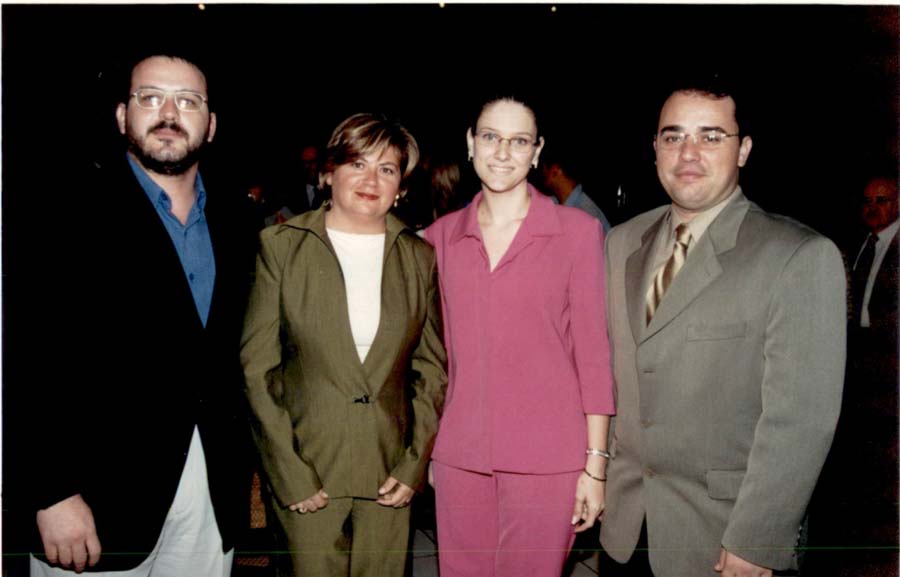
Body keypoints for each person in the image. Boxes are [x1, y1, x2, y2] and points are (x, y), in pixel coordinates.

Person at [599, 78, 846, 577]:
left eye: (711, 136)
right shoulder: (622, 242)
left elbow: (800, 419)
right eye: (673, 136)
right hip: (626, 527)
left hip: (720, 539)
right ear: (655, 148)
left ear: (744, 150)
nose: (688, 152)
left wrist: (757, 538)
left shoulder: (796, 256)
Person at [26, 51, 258, 576]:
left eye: (188, 101)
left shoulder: (239, 221)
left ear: (211, 124)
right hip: (94, 495)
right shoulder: (61, 211)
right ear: (121, 115)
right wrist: (50, 491)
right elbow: (24, 356)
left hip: (210, 487)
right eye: (150, 97)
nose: (169, 113)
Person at [240, 112, 447, 576]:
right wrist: (288, 471)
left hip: (389, 476)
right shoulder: (280, 247)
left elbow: (432, 370)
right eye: (357, 163)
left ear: (401, 187)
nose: (371, 180)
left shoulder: (420, 258)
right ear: (329, 172)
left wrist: (413, 465)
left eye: (387, 169)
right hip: (307, 473)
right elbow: (257, 370)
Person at [424, 95, 615, 577]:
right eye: (491, 137)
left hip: (549, 456)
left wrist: (595, 466)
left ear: (537, 151)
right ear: (471, 143)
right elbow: (432, 358)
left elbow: (593, 355)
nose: (503, 152)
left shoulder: (578, 233)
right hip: (459, 454)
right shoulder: (437, 239)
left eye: (519, 141)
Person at [806, 174, 898, 576]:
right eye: (868, 201)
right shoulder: (860, 245)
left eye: (883, 200)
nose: (873, 208)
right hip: (858, 362)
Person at [538, 141, 612, 232]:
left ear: (555, 171)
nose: (543, 173)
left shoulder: (587, 214)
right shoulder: (556, 203)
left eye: (544, 168)